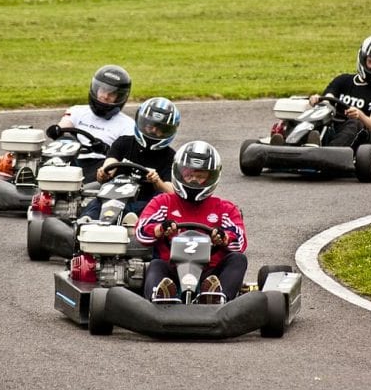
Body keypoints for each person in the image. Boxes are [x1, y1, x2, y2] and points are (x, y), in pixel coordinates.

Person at [135, 141, 247, 304]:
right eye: (189, 175)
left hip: (210, 274)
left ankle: (217, 298)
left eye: (201, 176)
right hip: (171, 272)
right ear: (179, 173)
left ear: (212, 177)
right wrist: (160, 229)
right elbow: (142, 233)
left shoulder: (224, 208)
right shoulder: (163, 203)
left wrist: (223, 238)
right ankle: (161, 298)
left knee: (238, 259)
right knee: (156, 264)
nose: (194, 181)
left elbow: (240, 242)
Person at [79, 97, 180, 220]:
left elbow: (170, 192)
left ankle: (131, 223)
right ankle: (85, 222)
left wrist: (157, 181)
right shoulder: (123, 143)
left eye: (159, 129)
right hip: (112, 198)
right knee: (97, 203)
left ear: (168, 131)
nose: (153, 131)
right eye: (149, 126)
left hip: (145, 201)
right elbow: (110, 165)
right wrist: (103, 173)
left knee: (152, 205)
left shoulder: (169, 156)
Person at [47, 64, 135, 182]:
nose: (105, 96)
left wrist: (105, 150)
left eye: (112, 93)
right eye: (103, 90)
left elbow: (125, 155)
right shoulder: (77, 111)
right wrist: (56, 130)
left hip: (101, 167)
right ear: (96, 89)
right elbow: (64, 126)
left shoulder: (128, 125)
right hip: (71, 161)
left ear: (120, 97)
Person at [306, 34, 371, 147]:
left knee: (355, 123)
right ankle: (289, 141)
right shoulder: (343, 81)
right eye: (370, 61)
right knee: (315, 115)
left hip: (362, 141)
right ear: (363, 58)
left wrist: (360, 115)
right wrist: (317, 100)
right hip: (334, 128)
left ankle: (330, 151)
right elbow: (328, 99)